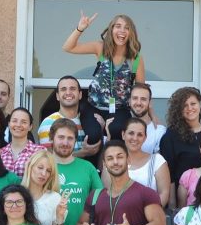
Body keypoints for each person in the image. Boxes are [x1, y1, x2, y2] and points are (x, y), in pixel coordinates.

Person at [62, 12, 146, 144]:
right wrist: (80, 28)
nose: (122, 30)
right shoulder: (101, 48)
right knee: (93, 136)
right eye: (118, 26)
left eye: (127, 28)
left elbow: (142, 91)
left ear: (131, 33)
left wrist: (150, 115)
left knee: (116, 131)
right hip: (94, 107)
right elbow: (68, 47)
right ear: (111, 29)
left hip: (120, 109)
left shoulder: (136, 59)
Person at [160, 87, 201, 197]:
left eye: (193, 104)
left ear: (200, 105)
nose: (190, 108)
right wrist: (172, 203)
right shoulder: (170, 136)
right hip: (183, 196)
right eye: (185, 105)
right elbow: (169, 173)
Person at [37, 76, 101, 159]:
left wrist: (102, 129)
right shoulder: (49, 123)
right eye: (63, 89)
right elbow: (48, 158)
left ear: (80, 95)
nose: (68, 92)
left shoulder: (87, 122)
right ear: (57, 96)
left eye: (72, 89)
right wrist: (82, 153)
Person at [0, 108, 45, 177]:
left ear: (30, 127)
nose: (18, 125)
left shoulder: (39, 151)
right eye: (14, 121)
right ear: (9, 124)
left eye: (24, 122)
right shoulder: (0, 153)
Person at [127, 82, 166, 153]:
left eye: (143, 99)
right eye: (135, 98)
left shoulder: (159, 131)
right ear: (129, 101)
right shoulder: (123, 128)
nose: (138, 103)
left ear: (150, 103)